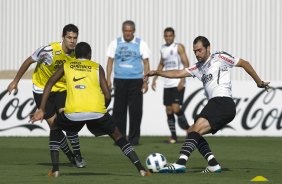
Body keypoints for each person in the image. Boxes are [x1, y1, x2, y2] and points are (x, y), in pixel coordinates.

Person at [145, 36, 270, 173]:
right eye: (195, 52)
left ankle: (180, 163)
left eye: (199, 50)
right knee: (193, 131)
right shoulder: (198, 67)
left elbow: (244, 63)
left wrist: (258, 82)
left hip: (222, 102)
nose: (197, 54)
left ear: (208, 48)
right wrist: (157, 72)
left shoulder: (220, 57)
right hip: (218, 104)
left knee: (195, 130)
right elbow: (177, 73)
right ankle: (213, 164)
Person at [30, 42, 151, 177]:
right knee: (118, 136)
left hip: (73, 113)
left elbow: (50, 83)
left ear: (76, 55)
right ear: (90, 54)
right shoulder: (97, 67)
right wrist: (102, 108)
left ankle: (55, 170)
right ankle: (141, 169)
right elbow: (107, 94)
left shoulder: (67, 65)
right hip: (96, 111)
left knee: (55, 129)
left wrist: (41, 108)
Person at [7, 24, 86, 168]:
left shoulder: (77, 54)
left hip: (62, 89)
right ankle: (70, 157)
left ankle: (78, 154)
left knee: (69, 121)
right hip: (42, 90)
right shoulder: (49, 50)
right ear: (63, 37)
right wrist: (15, 81)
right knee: (55, 127)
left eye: (75, 38)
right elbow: (29, 60)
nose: (72, 41)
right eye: (69, 37)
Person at [106, 20, 150, 145]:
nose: (128, 33)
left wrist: (146, 81)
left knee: (136, 111)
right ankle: (119, 138)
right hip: (120, 80)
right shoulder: (115, 43)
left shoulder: (141, 43)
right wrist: (108, 78)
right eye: (126, 31)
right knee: (119, 111)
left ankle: (134, 139)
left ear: (134, 31)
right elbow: (110, 61)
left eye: (130, 31)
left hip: (136, 80)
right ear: (122, 31)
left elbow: (146, 62)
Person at [151, 27, 190, 144]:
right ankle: (173, 136)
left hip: (177, 81)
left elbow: (186, 64)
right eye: (166, 36)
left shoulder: (179, 47)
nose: (168, 38)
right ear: (164, 37)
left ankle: (189, 129)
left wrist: (182, 80)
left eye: (170, 36)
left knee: (175, 108)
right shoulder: (162, 48)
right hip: (167, 83)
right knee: (168, 110)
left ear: (174, 36)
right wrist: (155, 78)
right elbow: (162, 63)